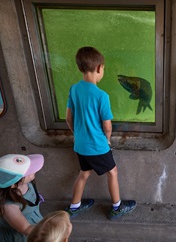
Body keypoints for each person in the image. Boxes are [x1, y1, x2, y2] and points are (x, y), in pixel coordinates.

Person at [65, 46, 136, 220]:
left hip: (80, 145)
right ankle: (117, 207)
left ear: (80, 67)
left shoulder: (74, 89)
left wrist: (78, 134)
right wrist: (108, 140)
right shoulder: (101, 95)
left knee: (84, 173)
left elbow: (68, 118)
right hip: (97, 145)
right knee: (112, 172)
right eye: (103, 68)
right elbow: (107, 125)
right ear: (99, 68)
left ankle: (74, 207)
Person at [0, 153, 45, 241]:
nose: (34, 171)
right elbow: (26, 229)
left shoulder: (25, 183)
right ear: (13, 184)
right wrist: (50, 232)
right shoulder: (8, 206)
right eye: (29, 172)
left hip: (31, 219)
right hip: (18, 235)